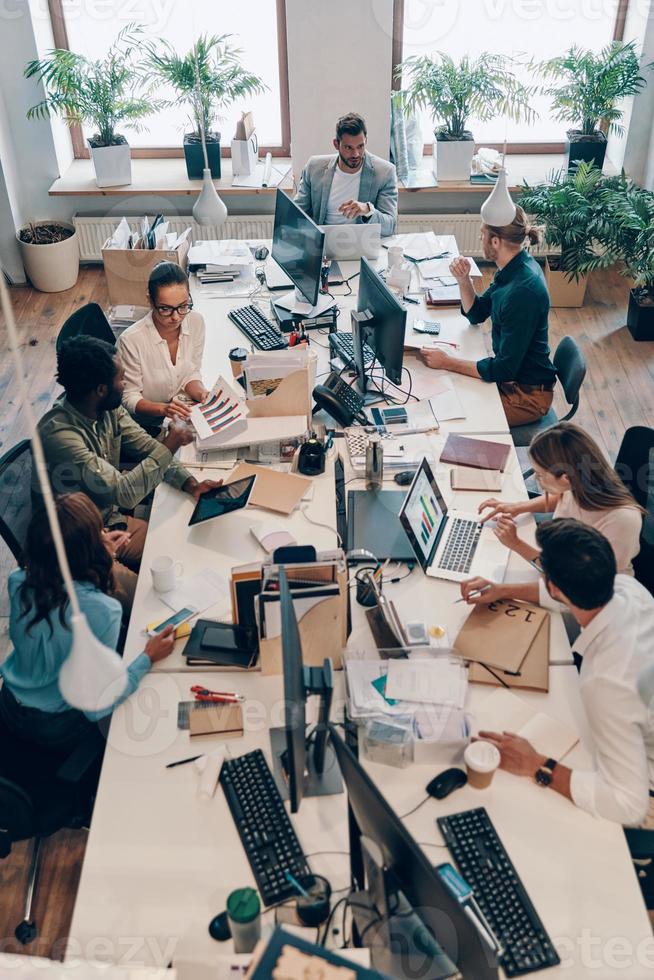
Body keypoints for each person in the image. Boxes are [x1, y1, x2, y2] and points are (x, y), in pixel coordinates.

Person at [463, 519, 654, 828]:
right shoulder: (625, 587)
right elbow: (565, 592)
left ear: (554, 585)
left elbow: (628, 804)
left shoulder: (607, 683)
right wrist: (501, 590)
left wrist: (536, 764)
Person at [0, 493, 177, 749]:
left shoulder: (17, 580)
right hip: (55, 725)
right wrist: (147, 658)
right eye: (100, 531)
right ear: (90, 549)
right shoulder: (103, 610)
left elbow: (63, 587)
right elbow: (97, 705)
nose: (106, 534)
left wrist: (98, 550)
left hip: (9, 703)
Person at [36, 337, 219, 581]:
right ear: (101, 389)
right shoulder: (60, 437)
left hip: (109, 521)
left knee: (180, 554)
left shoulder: (106, 408)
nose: (125, 385)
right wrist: (172, 442)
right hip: (76, 549)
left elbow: (148, 448)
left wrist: (191, 484)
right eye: (121, 379)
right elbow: (125, 493)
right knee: (142, 596)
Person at [475, 423, 643, 608]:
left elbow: (576, 587)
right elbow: (561, 496)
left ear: (565, 478)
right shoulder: (583, 484)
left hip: (593, 603)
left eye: (539, 474)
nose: (535, 480)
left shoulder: (622, 521)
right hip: (559, 571)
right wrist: (518, 507)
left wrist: (515, 546)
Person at [419, 205, 557, 426]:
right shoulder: (513, 268)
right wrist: (464, 280)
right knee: (446, 394)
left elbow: (503, 369)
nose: (479, 237)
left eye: (482, 234)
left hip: (526, 396)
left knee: (453, 418)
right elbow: (477, 313)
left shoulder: (522, 292)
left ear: (495, 242)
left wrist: (448, 362)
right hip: (510, 380)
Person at [118, 262, 208, 436]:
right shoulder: (131, 340)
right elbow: (129, 397)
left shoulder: (196, 322)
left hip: (179, 410)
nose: (176, 317)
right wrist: (164, 409)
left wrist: (202, 393)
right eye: (165, 309)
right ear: (150, 301)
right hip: (145, 425)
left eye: (183, 306)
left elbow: (191, 372)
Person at [294, 112, 397, 237]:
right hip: (322, 246)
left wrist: (368, 210)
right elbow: (297, 214)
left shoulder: (385, 172)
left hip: (361, 245)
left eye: (360, 146)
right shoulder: (314, 168)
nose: (356, 154)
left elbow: (390, 226)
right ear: (336, 144)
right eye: (349, 148)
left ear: (366, 141)